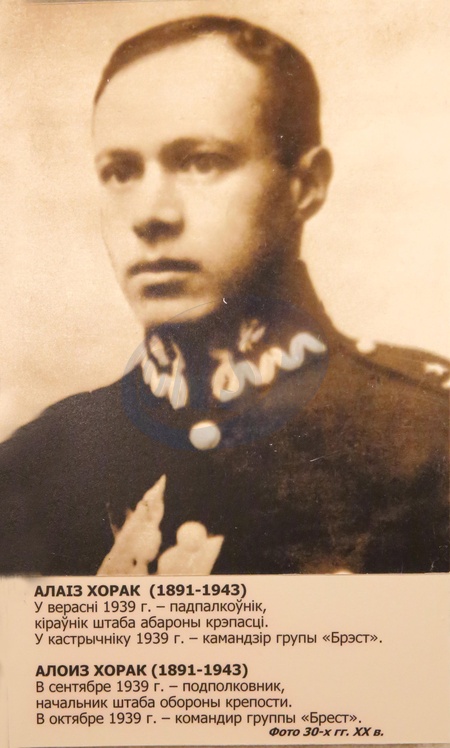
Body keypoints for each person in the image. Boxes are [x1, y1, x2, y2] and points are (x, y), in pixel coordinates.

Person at [0, 15, 448, 575]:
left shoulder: (428, 441)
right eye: (120, 172)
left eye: (201, 162)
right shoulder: (34, 468)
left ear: (306, 185)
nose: (150, 215)